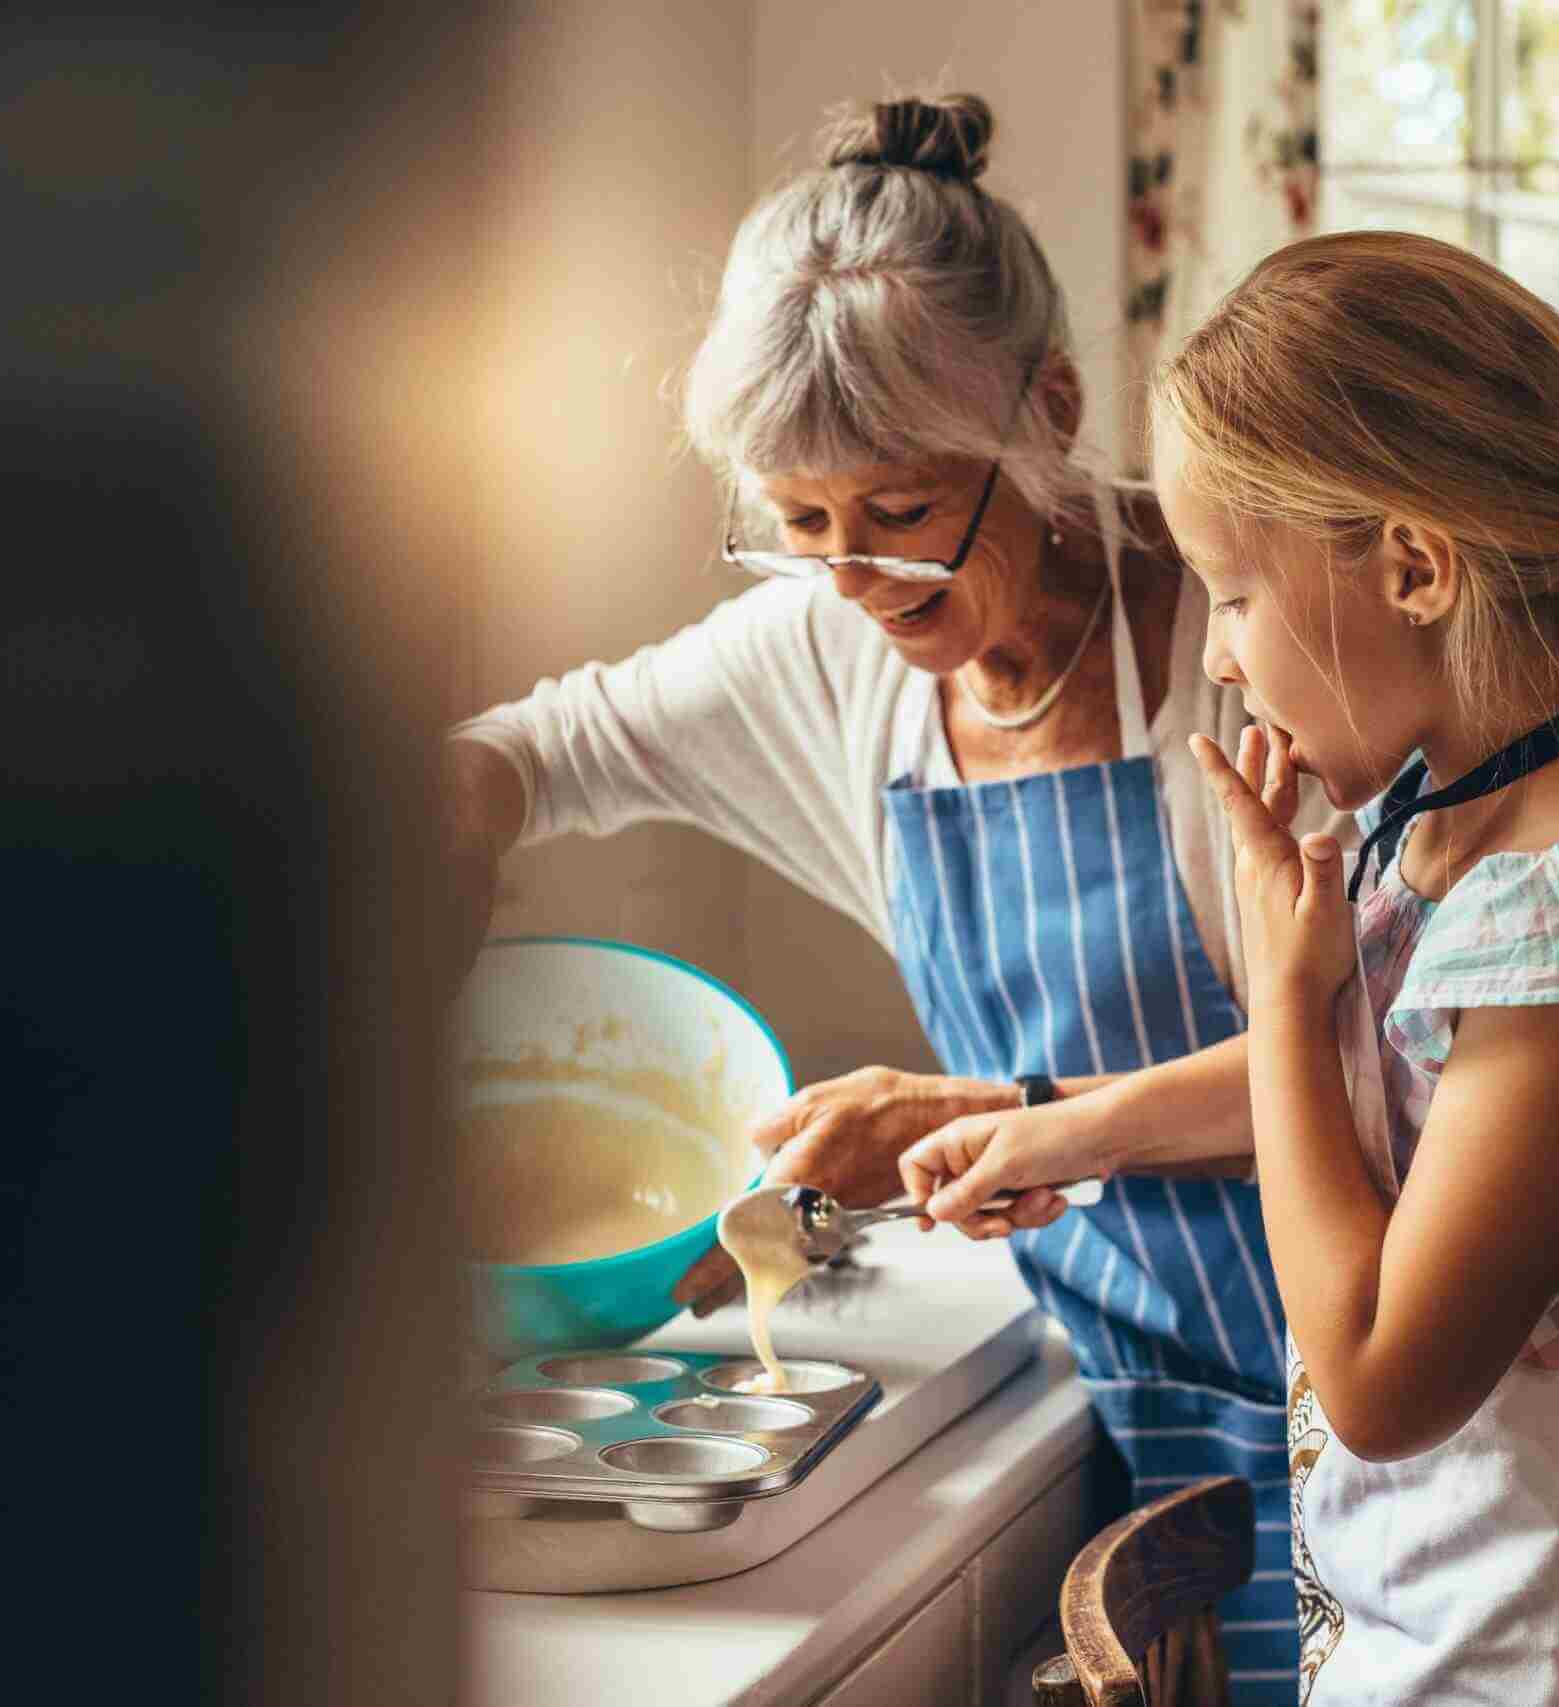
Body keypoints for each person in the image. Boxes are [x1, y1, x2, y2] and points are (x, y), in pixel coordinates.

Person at [907, 230, 1559, 1704]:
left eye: (1233, 594)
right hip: (1439, 1633)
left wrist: (1287, 986)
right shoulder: (1451, 828)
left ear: (1417, 567)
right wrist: (1060, 1128)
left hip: (1545, 1664)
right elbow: (1408, 1074)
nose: (1224, 656)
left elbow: (1376, 1382)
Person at [443, 95, 1323, 1699]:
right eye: (799, 525)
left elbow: (1383, 1063)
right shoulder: (834, 650)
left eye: (904, 515)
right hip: (1142, 1402)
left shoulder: (1239, 643)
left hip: (1373, 1380)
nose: (857, 582)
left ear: (1046, 415)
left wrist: (1007, 1111)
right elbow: (533, 752)